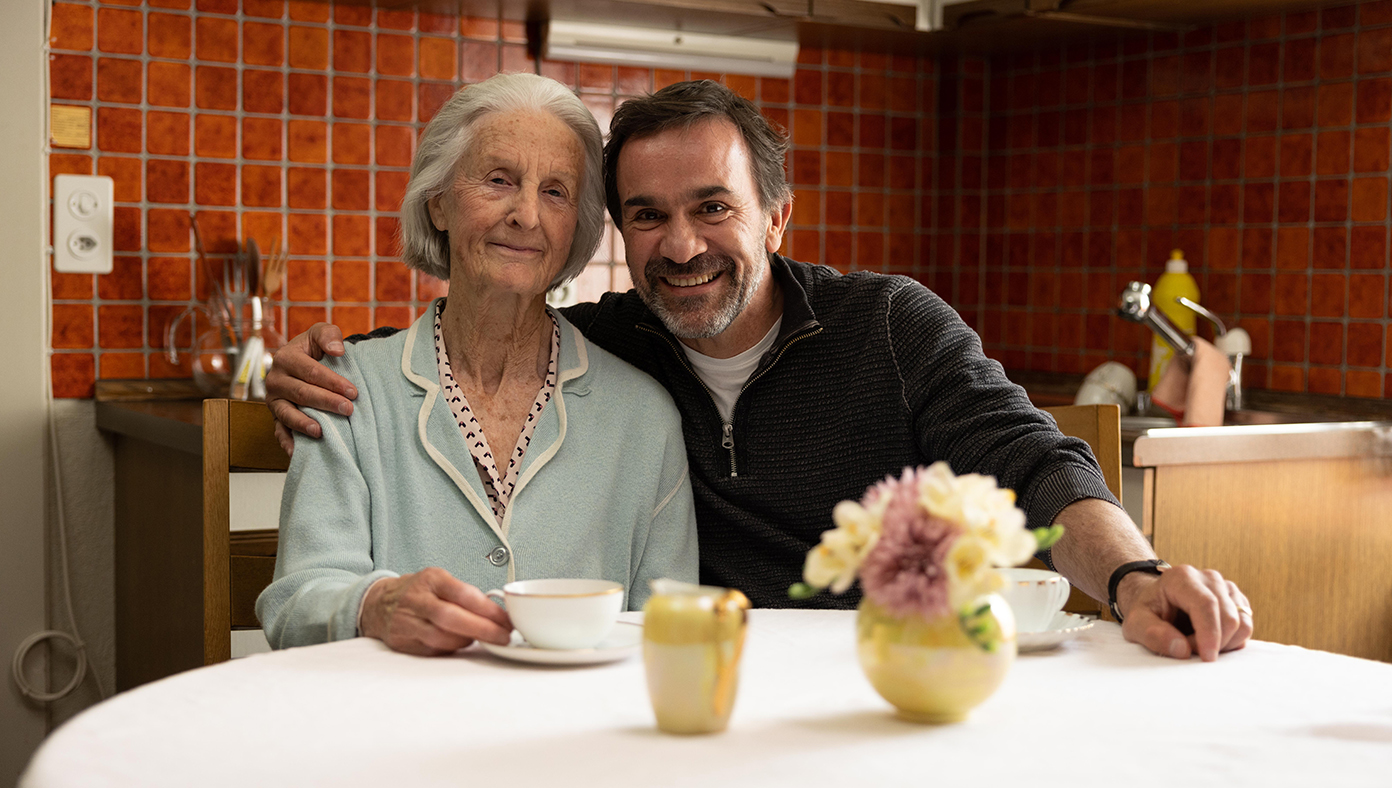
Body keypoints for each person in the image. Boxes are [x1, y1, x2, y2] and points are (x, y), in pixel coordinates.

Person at [266, 79, 1252, 662]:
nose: (680, 244)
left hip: (875, 693)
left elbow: (1031, 455)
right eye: (647, 215)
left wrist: (1129, 572)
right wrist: (324, 364)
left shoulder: (887, 328)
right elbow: (478, 314)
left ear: (776, 216)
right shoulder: (622, 340)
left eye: (712, 206)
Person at [256, 73, 698, 656]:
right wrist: (373, 604)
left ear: (576, 231)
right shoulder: (347, 390)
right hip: (396, 726)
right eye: (499, 180)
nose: (526, 215)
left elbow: (669, 628)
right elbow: (296, 600)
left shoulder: (643, 417)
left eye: (556, 192)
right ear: (439, 201)